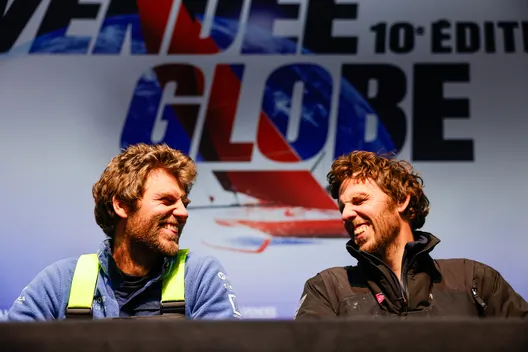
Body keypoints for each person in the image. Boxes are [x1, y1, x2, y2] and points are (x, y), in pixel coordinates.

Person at [6, 143, 242, 321]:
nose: (182, 212)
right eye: (167, 200)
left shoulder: (199, 277)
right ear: (122, 205)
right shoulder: (60, 282)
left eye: (184, 203)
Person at [294, 151, 528, 319]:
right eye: (342, 207)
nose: (346, 215)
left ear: (401, 200)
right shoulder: (328, 289)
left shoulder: (475, 280)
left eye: (359, 201)